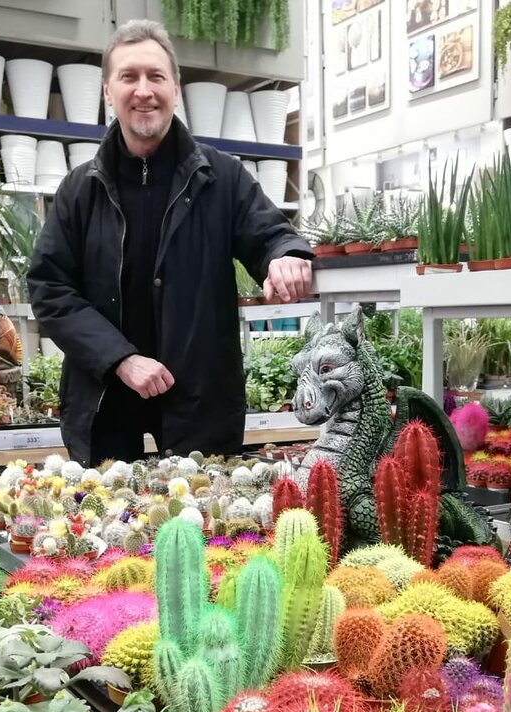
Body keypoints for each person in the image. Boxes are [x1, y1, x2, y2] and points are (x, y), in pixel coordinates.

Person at [28, 19, 314, 466]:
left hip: (199, 401)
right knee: (106, 511)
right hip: (105, 403)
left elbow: (269, 233)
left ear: (175, 90)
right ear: (108, 91)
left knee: (206, 507)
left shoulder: (221, 178)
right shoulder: (80, 190)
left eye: (156, 76)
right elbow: (49, 287)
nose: (144, 90)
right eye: (129, 76)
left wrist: (285, 255)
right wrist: (120, 359)